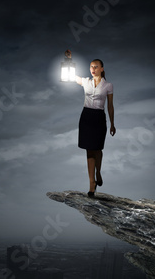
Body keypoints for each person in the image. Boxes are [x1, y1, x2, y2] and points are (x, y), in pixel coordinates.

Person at [65, 49, 116, 197]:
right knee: (89, 151)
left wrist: (112, 123)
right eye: (91, 67)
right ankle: (91, 183)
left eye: (95, 67)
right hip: (86, 116)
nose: (92, 69)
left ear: (102, 69)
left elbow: (110, 106)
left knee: (98, 149)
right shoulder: (85, 82)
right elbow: (70, 76)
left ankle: (98, 172)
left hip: (99, 117)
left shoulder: (108, 86)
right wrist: (68, 60)